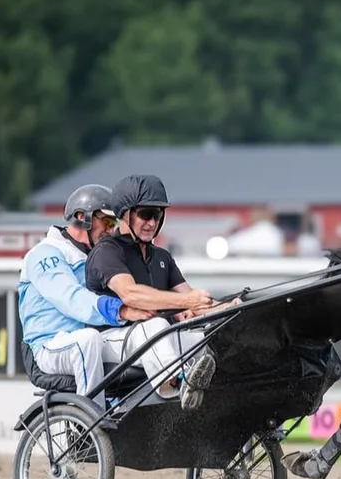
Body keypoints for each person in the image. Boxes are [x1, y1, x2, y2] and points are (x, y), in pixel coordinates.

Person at [85, 174, 235, 410]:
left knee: (201, 338)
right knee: (154, 327)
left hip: (154, 339)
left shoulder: (162, 257)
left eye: (157, 216)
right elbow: (131, 294)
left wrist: (231, 306)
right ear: (125, 214)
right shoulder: (107, 252)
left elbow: (195, 302)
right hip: (108, 341)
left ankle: (216, 397)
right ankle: (177, 383)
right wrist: (186, 301)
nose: (152, 223)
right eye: (145, 215)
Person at [18, 184, 155, 409]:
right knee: (87, 339)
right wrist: (120, 310)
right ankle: (93, 422)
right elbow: (72, 299)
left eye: (115, 225)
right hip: (48, 348)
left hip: (88, 344)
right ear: (83, 217)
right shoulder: (45, 253)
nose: (112, 231)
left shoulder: (96, 256)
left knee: (149, 335)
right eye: (108, 222)